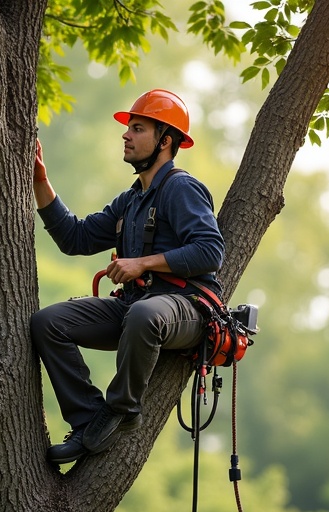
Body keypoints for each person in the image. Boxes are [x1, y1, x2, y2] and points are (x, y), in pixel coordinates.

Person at [31, 89, 226, 464]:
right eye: (128, 128)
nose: (126, 134)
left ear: (165, 141)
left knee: (144, 315)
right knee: (47, 322)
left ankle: (121, 409)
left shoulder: (181, 188)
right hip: (137, 308)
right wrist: (40, 179)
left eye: (137, 128)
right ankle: (89, 420)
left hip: (185, 310)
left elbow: (210, 250)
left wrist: (142, 263)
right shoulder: (132, 199)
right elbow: (75, 237)